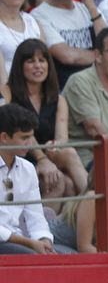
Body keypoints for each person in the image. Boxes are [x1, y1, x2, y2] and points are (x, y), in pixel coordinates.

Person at [4, 38, 87, 202]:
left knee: (68, 153)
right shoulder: (7, 92)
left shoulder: (58, 99)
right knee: (64, 183)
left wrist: (55, 145)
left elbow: (63, 137)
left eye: (42, 60)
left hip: (49, 156)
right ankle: (95, 205)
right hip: (19, 155)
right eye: (30, 61)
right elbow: (22, 132)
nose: (38, 66)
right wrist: (41, 159)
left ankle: (92, 203)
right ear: (20, 66)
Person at [32, 0, 104, 83]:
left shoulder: (88, 9)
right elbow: (67, 56)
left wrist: (92, 7)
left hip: (101, 84)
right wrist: (106, 58)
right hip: (67, 88)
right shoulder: (38, 15)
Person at [0, 102, 58, 255]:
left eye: (32, 137)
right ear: (4, 137)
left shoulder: (28, 168)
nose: (30, 143)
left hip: (19, 241)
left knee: (63, 258)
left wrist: (44, 241)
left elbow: (36, 217)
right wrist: (31, 243)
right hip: (10, 243)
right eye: (24, 137)